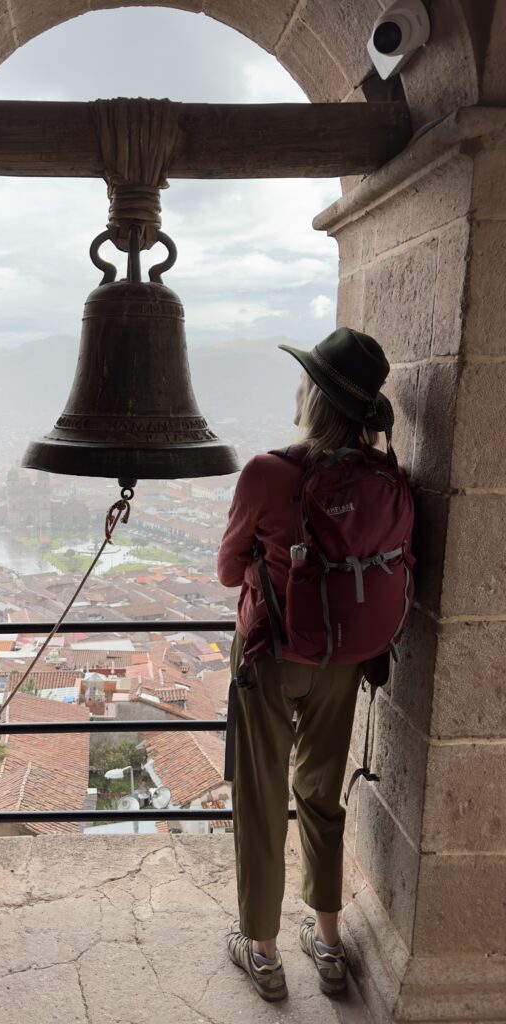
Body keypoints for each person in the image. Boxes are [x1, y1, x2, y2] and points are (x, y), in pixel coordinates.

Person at [217, 327, 404, 1002]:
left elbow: (226, 570)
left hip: (270, 656)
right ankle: (327, 941)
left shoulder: (267, 474)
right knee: (320, 796)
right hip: (346, 661)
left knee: (261, 798)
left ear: (313, 399)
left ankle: (263, 952)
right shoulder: (389, 479)